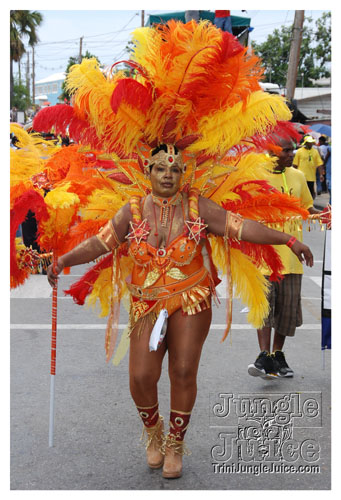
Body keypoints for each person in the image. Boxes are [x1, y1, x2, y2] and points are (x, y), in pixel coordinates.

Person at [47, 143, 313, 478]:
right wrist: (65, 260)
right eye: (161, 168)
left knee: (183, 371)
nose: (168, 175)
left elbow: (243, 227)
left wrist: (289, 241)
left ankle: (175, 442)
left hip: (192, 299)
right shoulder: (133, 210)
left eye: (174, 169)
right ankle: (154, 432)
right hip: (147, 302)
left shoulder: (197, 208)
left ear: (183, 174)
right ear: (149, 172)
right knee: (141, 377)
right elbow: (100, 242)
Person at [248, 137, 320, 380]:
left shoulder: (298, 177)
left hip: (292, 259)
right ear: (272, 151)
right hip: (264, 258)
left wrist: (326, 215)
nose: (292, 153)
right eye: (287, 150)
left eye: (292, 149)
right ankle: (263, 356)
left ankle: (278, 355)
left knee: (286, 313)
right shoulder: (257, 176)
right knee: (264, 310)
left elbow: (307, 208)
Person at [318, 136, 331, 202]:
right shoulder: (327, 147)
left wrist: (323, 164)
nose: (319, 142)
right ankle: (325, 189)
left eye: (319, 141)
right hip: (327, 166)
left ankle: (323, 189)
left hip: (324, 165)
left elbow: (324, 157)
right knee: (325, 177)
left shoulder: (321, 148)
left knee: (323, 177)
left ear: (322, 141)